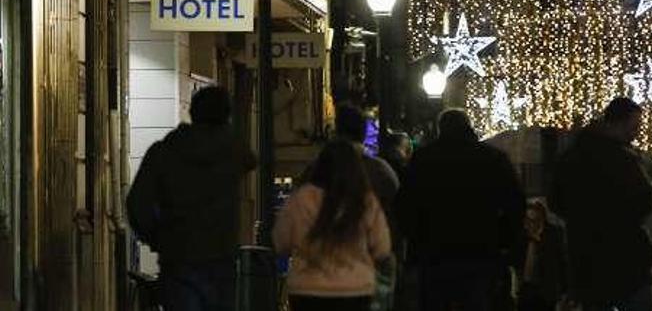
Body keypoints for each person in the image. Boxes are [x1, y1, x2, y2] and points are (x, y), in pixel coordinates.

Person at [127, 86, 256, 311]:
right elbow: (250, 159)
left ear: (193, 112)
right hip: (221, 256)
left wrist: (158, 237)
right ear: (226, 115)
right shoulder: (233, 149)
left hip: (178, 256)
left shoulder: (165, 151)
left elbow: (137, 204)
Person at [397, 109, 526, 311]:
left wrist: (415, 238)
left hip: (434, 249)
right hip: (481, 246)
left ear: (441, 129)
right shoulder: (492, 158)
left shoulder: (423, 159)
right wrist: (505, 239)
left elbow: (406, 204)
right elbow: (515, 203)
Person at [550, 98, 652, 311]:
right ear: (618, 124)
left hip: (586, 260)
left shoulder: (572, 157)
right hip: (626, 261)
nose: (636, 133)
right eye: (633, 127)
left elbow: (555, 201)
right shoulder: (625, 159)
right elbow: (646, 199)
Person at [273, 141, 392, 311]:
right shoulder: (364, 201)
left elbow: (280, 241)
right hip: (355, 288)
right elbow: (382, 248)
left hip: (308, 289)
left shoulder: (301, 199)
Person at [518, 200, 569, 311]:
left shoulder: (553, 234)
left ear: (541, 220)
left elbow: (562, 262)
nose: (528, 225)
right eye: (526, 220)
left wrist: (565, 290)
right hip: (526, 290)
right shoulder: (522, 236)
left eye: (532, 221)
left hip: (546, 291)